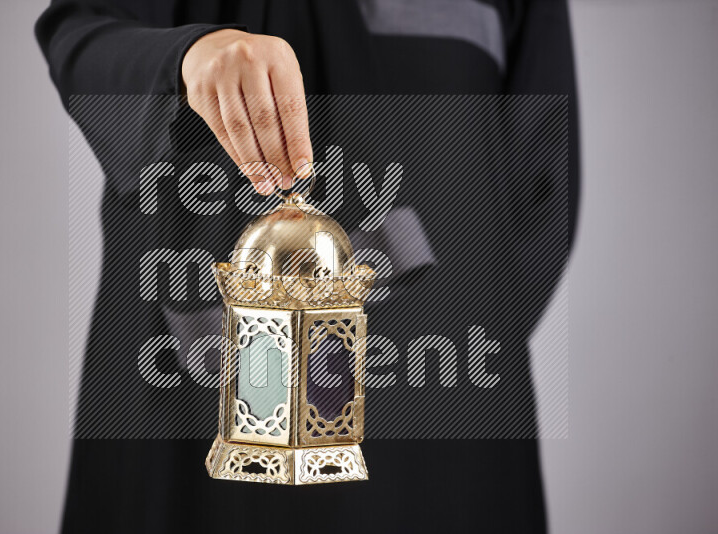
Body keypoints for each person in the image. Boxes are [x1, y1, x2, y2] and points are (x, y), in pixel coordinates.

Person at [36, 1, 578, 532]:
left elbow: (539, 185)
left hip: (438, 379)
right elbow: (76, 36)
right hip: (188, 376)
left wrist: (437, 362)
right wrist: (189, 55)